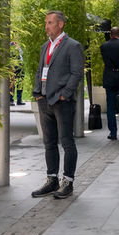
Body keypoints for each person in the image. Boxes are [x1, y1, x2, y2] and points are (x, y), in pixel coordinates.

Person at [31, 10, 85, 200]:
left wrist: (64, 95)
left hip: (62, 102)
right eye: (46, 22)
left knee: (67, 142)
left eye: (50, 23)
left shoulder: (73, 46)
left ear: (60, 24)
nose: (46, 26)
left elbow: (77, 73)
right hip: (45, 100)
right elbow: (40, 70)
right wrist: (37, 93)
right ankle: (51, 179)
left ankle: (67, 181)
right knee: (49, 143)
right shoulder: (45, 46)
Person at [11, 40, 25, 106]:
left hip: (21, 68)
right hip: (13, 68)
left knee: (20, 84)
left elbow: (21, 54)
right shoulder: (11, 46)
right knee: (12, 84)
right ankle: (10, 100)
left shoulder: (18, 46)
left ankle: (19, 100)